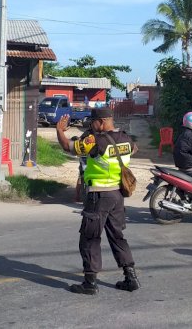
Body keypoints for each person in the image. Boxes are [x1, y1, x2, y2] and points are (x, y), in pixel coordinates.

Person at [56, 107, 140, 295]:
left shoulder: (95, 141)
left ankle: (90, 283)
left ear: (100, 122)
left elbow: (68, 147)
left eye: (92, 123)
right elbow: (134, 149)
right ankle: (131, 277)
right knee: (117, 236)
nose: (91, 126)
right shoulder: (126, 138)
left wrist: (60, 131)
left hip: (99, 195)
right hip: (118, 195)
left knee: (90, 238)